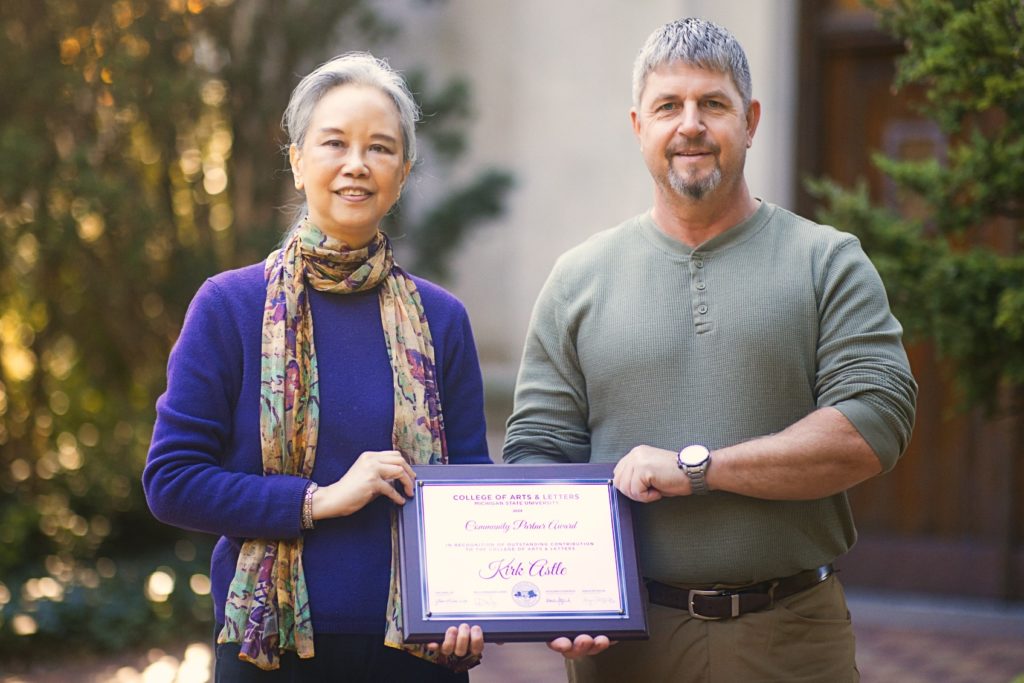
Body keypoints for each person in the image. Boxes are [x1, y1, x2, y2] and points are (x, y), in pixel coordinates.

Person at [503, 17, 917, 683]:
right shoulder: (577, 278)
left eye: (712, 104)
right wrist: (557, 595)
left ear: (750, 120)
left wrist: (697, 467)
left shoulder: (827, 262)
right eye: (669, 106)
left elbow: (870, 429)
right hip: (628, 643)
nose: (690, 124)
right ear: (639, 125)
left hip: (792, 635)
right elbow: (538, 450)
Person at [144, 52, 490, 681]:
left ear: (403, 173)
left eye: (380, 148)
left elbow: (469, 487)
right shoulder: (229, 307)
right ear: (299, 161)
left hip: (418, 653)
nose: (357, 164)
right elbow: (171, 481)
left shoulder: (442, 320)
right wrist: (318, 501)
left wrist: (473, 607)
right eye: (335, 143)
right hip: (268, 648)